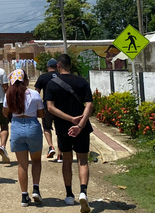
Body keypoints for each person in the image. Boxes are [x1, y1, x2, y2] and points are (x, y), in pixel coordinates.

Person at [45, 54, 94, 213]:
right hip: (82, 128)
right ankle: (83, 192)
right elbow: (89, 105)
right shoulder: (82, 82)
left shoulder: (52, 84)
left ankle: (69, 194)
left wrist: (70, 119)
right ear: (71, 66)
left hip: (63, 128)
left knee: (66, 160)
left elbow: (50, 108)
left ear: (58, 66)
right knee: (83, 160)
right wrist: (80, 124)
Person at [3, 69, 45, 207]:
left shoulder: (8, 95)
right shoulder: (34, 94)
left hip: (16, 126)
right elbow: (41, 114)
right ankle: (36, 188)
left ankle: (24, 196)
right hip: (32, 125)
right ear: (25, 80)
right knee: (36, 160)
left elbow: (5, 113)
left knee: (22, 164)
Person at [34, 58, 59, 160]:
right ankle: (60, 154)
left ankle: (51, 146)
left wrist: (37, 106)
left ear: (48, 67)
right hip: (60, 107)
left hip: (47, 105)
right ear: (57, 66)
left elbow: (36, 93)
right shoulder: (61, 76)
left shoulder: (43, 77)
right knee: (60, 129)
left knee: (47, 127)